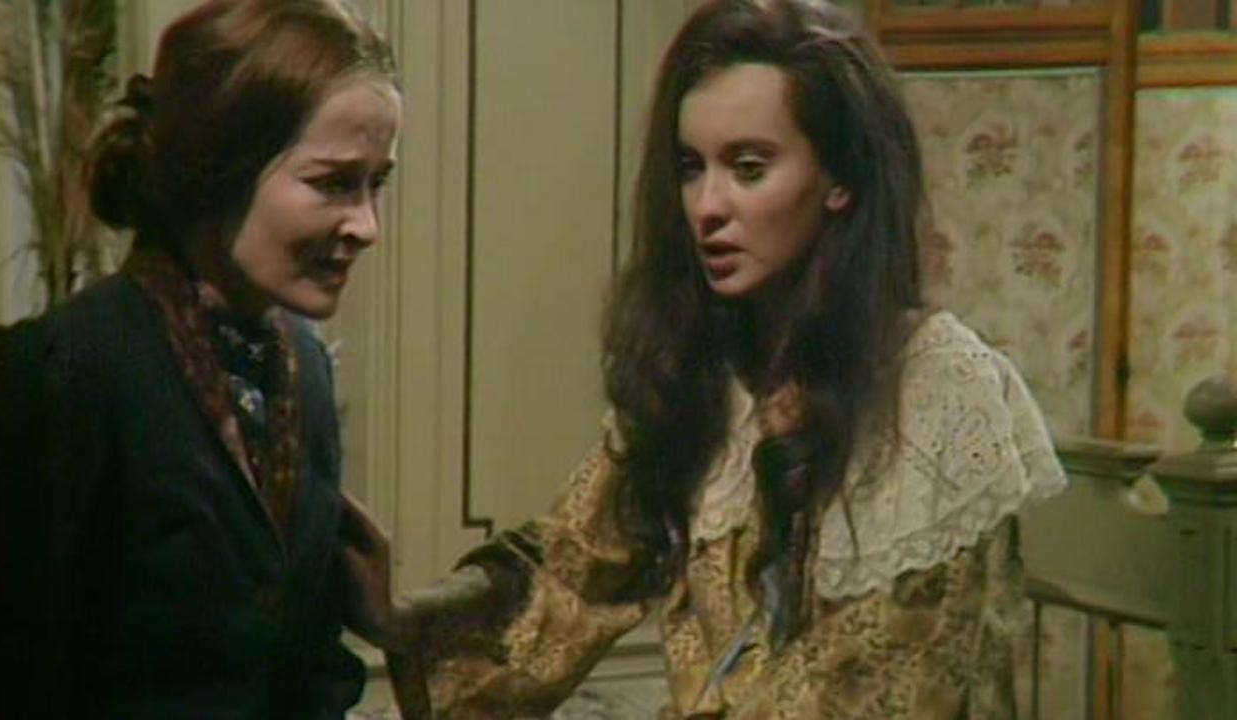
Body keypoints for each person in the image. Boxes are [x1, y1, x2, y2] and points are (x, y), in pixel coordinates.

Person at [341, 0, 1068, 718]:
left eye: (749, 168)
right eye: (692, 168)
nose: (707, 206)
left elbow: (879, 686)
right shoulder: (715, 367)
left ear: (841, 179)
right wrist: (403, 618)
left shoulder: (939, 393)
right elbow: (573, 571)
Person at [0, 0, 400, 716]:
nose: (367, 225)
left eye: (376, 183)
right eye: (333, 182)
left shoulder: (305, 367)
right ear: (218, 170)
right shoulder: (56, 374)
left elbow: (308, 662)